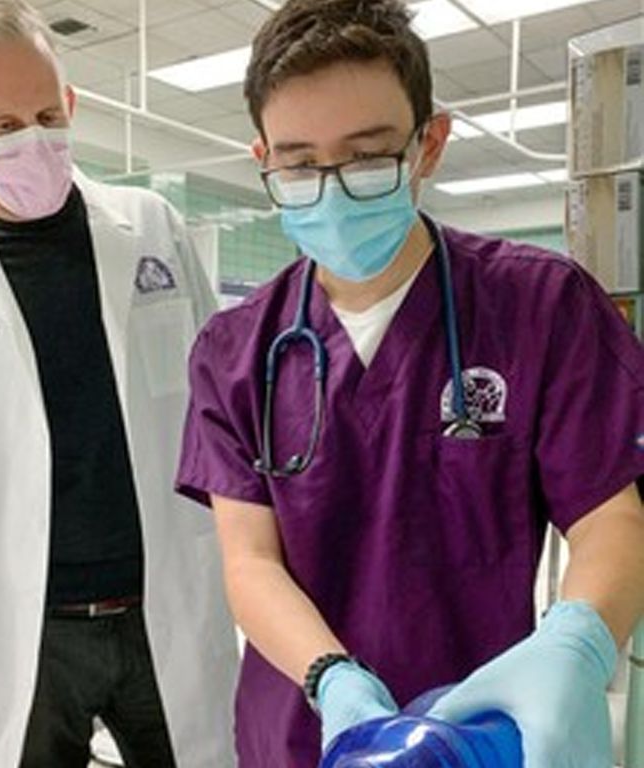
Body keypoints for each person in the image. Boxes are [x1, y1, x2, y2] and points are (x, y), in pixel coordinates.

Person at [175, 1, 644, 766]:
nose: (330, 191)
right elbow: (248, 559)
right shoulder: (235, 351)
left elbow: (608, 517)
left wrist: (579, 643)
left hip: (478, 729)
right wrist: (335, 684)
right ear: (264, 158)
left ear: (429, 143)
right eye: (298, 164)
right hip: (302, 731)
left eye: (366, 157)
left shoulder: (541, 308)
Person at [0, 1, 238, 766]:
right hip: (23, 629)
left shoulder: (154, 228)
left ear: (70, 103)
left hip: (164, 606)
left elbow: (225, 408)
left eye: (46, 113)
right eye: (4, 127)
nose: (33, 140)